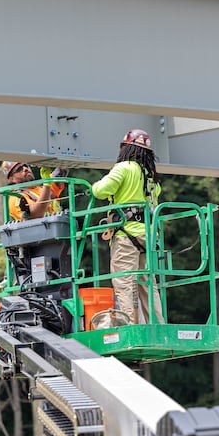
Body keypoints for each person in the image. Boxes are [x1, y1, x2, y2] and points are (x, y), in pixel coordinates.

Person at [91, 129, 164, 325]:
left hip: (126, 234)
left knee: (125, 282)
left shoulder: (124, 168)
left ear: (126, 149)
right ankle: (157, 324)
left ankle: (131, 327)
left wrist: (95, 185)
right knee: (148, 283)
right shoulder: (150, 175)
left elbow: (100, 190)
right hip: (148, 236)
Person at [0, 161, 66, 221]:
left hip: (60, 228)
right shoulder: (16, 198)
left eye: (25, 165)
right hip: (41, 232)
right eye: (19, 169)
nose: (25, 169)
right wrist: (47, 183)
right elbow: (36, 215)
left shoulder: (42, 189)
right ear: (12, 179)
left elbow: (60, 172)